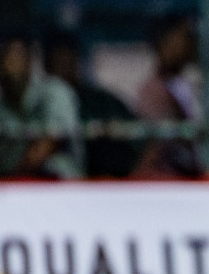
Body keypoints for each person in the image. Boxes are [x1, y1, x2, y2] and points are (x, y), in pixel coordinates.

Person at [0, 28, 82, 180]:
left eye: (14, 55)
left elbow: (49, 144)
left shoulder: (54, 92)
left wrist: (8, 184)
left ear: (29, 58)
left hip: (62, 191)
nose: (7, 65)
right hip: (9, 195)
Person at [42, 29, 138, 178]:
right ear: (47, 66)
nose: (64, 67)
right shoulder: (39, 105)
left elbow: (135, 136)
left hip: (106, 183)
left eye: (68, 60)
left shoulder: (102, 102)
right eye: (58, 62)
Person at [133, 12, 203, 179]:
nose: (189, 43)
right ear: (164, 43)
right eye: (183, 37)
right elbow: (158, 146)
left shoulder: (186, 85)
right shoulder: (154, 91)